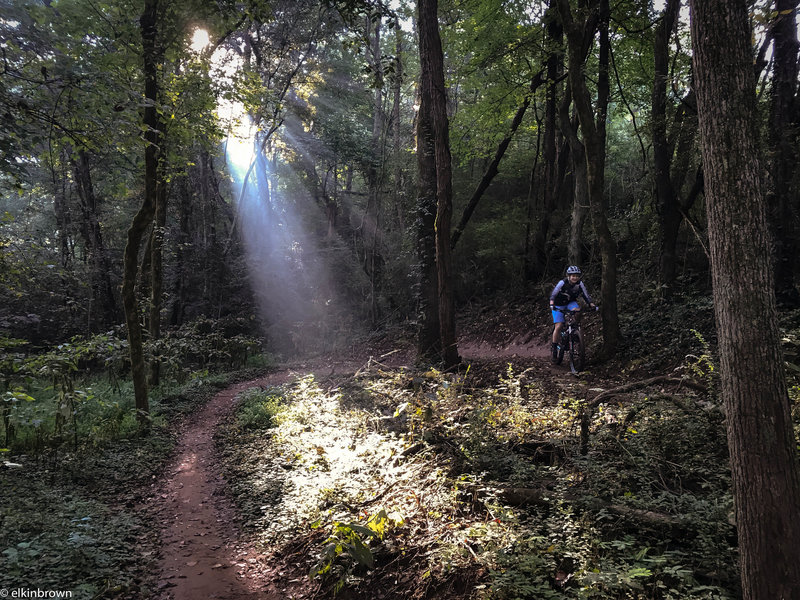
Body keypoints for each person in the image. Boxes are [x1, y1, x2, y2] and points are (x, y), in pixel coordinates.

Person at [549, 265, 596, 360]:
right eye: (573, 275)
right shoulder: (562, 283)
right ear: (568, 276)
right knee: (558, 326)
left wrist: (591, 304)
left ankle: (575, 329)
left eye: (577, 276)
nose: (575, 277)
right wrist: (552, 304)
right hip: (558, 305)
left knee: (578, 311)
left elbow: (585, 295)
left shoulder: (580, 284)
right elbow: (553, 294)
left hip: (570, 303)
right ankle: (554, 348)